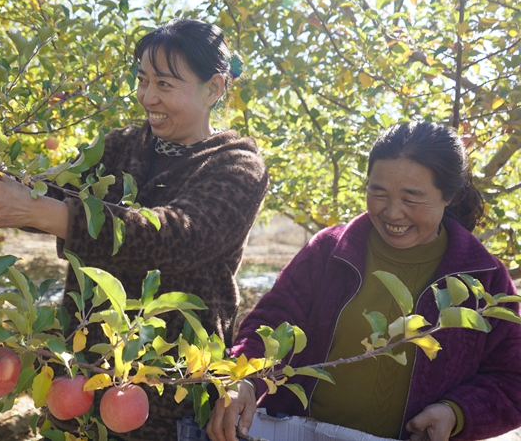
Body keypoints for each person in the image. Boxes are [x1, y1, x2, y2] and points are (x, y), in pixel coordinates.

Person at [0, 19, 268, 440]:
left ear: (215, 88)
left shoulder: (237, 165)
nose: (148, 97)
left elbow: (178, 236)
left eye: (166, 85)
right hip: (81, 371)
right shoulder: (120, 146)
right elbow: (50, 189)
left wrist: (44, 212)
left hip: (169, 383)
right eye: (142, 80)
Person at [208, 121, 521, 441]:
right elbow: (274, 321)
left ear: (449, 195)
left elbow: (513, 378)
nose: (393, 212)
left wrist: (456, 413)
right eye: (378, 192)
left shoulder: (484, 278)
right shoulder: (330, 251)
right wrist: (244, 378)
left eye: (411, 198)